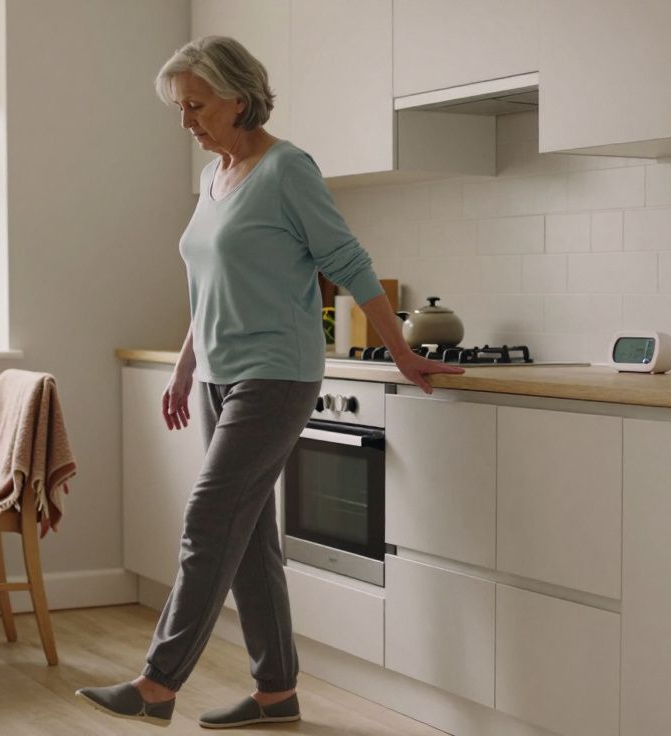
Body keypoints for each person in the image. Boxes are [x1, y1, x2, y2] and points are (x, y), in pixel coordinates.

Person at [76, 36, 463, 729]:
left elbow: (346, 258)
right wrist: (186, 364)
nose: (186, 121)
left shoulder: (287, 169)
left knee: (207, 520)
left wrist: (402, 351)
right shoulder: (214, 177)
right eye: (179, 107)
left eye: (196, 105)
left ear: (239, 96)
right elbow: (207, 282)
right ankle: (276, 693)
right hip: (219, 375)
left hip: (277, 373)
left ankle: (158, 683)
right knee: (248, 537)